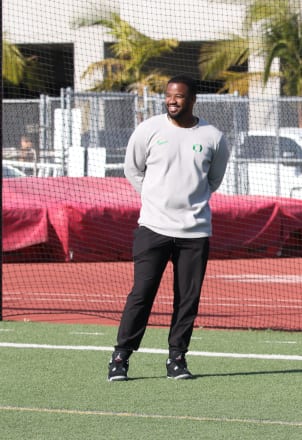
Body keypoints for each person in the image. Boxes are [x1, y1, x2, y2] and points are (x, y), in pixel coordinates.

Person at [108, 75, 230, 381]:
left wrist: (189, 202)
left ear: (192, 100)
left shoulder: (213, 136)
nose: (171, 101)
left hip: (195, 232)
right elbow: (132, 169)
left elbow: (213, 180)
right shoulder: (149, 129)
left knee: (187, 298)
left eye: (178, 96)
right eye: (168, 96)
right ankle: (121, 357)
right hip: (153, 228)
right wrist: (153, 197)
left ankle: (177, 359)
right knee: (142, 293)